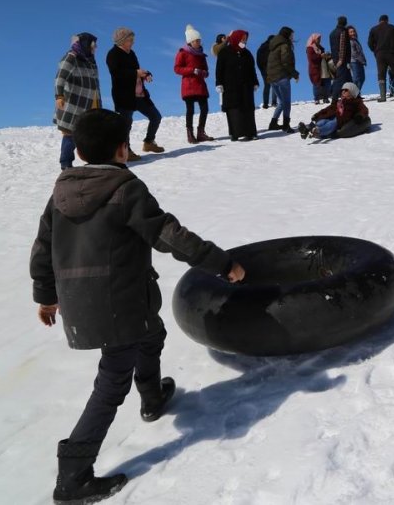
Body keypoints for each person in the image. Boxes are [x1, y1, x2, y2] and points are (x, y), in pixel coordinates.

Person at [29, 108, 245, 504]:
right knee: (112, 382)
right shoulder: (125, 189)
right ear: (123, 150)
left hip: (89, 304)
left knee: (153, 333)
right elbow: (169, 236)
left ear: (77, 151)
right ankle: (73, 474)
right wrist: (223, 264)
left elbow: (43, 248)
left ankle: (151, 396)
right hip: (121, 304)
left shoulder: (59, 194)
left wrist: (45, 295)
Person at [106, 27, 164, 158]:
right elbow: (116, 73)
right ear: (121, 40)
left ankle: (149, 142)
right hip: (124, 96)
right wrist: (135, 73)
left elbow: (137, 70)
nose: (133, 42)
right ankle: (126, 152)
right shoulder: (113, 54)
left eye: (133, 39)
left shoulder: (131, 53)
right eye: (130, 39)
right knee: (126, 125)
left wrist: (146, 74)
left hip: (140, 95)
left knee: (156, 117)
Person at [54, 33, 102, 169]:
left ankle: (95, 160)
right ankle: (66, 164)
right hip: (73, 105)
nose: (96, 48)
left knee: (92, 132)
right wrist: (59, 96)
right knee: (70, 134)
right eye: (94, 45)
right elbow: (60, 78)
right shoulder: (71, 57)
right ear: (86, 45)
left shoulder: (90, 59)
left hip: (92, 101)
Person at [173, 24, 215, 144]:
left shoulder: (201, 54)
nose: (199, 42)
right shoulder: (182, 53)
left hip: (200, 85)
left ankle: (201, 133)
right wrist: (192, 70)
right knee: (190, 110)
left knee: (205, 109)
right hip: (189, 86)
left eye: (199, 40)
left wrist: (205, 73)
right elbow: (176, 69)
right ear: (190, 41)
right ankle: (190, 134)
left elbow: (206, 70)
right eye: (197, 40)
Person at [215, 29, 259, 141]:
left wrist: (255, 82)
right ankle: (235, 133)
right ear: (236, 38)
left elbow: (252, 69)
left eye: (245, 39)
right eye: (242, 39)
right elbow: (219, 69)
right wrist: (219, 83)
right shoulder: (224, 52)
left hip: (246, 86)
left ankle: (251, 133)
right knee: (234, 109)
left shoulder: (247, 53)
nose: (244, 41)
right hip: (231, 87)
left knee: (248, 109)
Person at [297, 82, 369, 139]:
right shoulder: (340, 102)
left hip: (342, 120)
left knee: (332, 124)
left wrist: (360, 116)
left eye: (346, 90)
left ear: (352, 92)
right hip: (334, 117)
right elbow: (328, 109)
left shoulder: (356, 102)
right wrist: (317, 115)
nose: (343, 92)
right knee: (323, 121)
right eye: (342, 90)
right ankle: (307, 129)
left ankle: (317, 131)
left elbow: (364, 110)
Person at [265, 26, 299, 133]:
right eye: (292, 35)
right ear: (287, 35)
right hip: (281, 77)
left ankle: (273, 123)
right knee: (286, 102)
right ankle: (286, 125)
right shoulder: (284, 45)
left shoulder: (273, 45)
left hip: (272, 77)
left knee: (281, 102)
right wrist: (295, 74)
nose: (293, 37)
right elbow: (286, 62)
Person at [368, 14, 394, 102]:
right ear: (387, 20)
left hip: (380, 54)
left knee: (381, 74)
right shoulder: (393, 28)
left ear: (379, 21)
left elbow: (369, 43)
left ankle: (383, 97)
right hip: (392, 53)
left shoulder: (373, 29)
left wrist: (375, 51)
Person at [329, 16, 352, 99]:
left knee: (348, 79)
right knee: (340, 79)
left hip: (335, 58)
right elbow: (342, 46)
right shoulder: (343, 31)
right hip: (342, 60)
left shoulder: (332, 33)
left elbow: (333, 47)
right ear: (345, 22)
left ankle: (355, 95)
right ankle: (334, 97)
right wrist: (341, 59)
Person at [305, 33, 330, 103]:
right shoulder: (310, 48)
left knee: (326, 83)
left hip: (324, 68)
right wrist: (320, 56)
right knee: (316, 83)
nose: (319, 40)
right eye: (318, 38)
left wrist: (326, 56)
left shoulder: (321, 48)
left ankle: (326, 97)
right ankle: (316, 99)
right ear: (314, 39)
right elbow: (311, 58)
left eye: (320, 39)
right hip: (315, 68)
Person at [255, 35, 276, 110]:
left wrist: (261, 69)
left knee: (267, 85)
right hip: (268, 68)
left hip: (263, 69)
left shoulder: (262, 47)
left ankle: (266, 104)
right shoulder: (269, 47)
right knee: (274, 84)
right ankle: (273, 102)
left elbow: (258, 60)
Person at [346, 25, 368, 94]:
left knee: (362, 78)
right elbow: (354, 53)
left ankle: (356, 93)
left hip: (359, 61)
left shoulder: (356, 41)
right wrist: (361, 60)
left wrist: (364, 60)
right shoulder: (349, 41)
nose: (353, 33)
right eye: (351, 32)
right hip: (354, 61)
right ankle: (353, 93)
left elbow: (360, 52)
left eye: (353, 31)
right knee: (356, 78)